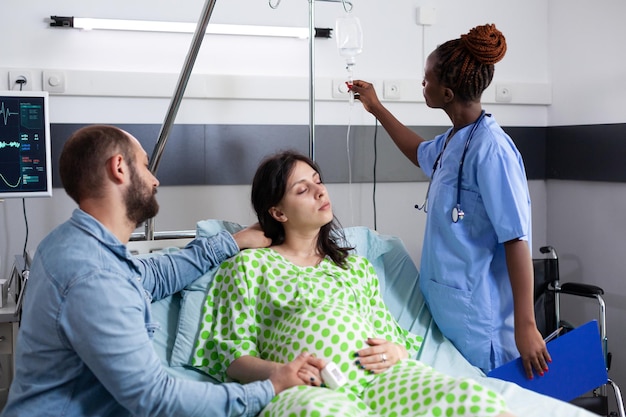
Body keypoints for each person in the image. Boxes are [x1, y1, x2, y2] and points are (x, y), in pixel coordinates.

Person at [0, 125, 320, 417]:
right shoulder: (94, 277)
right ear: (120, 168)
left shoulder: (70, 242)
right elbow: (157, 398)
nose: (155, 179)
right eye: (145, 165)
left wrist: (230, 242)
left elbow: (153, 275)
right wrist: (269, 388)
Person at [191, 150, 516, 417]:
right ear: (277, 212)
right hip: (309, 390)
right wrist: (283, 374)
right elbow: (232, 357)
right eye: (302, 189)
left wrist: (397, 351)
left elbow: (389, 335)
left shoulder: (354, 267)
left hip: (382, 380)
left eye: (318, 182)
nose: (320, 191)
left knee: (470, 398)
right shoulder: (249, 266)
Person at [349, 23, 549, 378]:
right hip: (448, 311)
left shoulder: (492, 149)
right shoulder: (456, 140)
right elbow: (418, 152)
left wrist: (526, 325)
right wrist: (376, 108)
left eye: (426, 80)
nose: (422, 84)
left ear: (447, 92)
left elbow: (516, 240)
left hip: (479, 319)